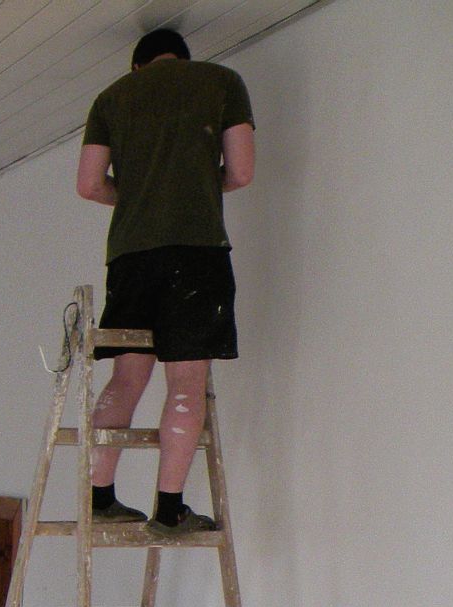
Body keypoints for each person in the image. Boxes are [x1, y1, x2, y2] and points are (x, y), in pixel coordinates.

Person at [77, 27, 255, 536]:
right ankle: (170, 508)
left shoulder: (111, 97)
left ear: (137, 66)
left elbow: (88, 184)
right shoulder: (222, 82)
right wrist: (196, 187)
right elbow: (241, 171)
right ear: (183, 58)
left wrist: (138, 194)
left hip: (130, 258)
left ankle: (99, 497)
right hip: (196, 254)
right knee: (185, 385)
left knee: (126, 378)